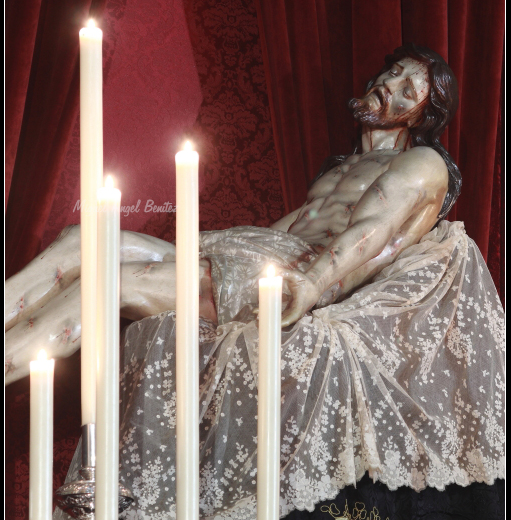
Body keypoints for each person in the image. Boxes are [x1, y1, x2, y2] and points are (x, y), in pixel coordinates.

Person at [5, 44, 461, 385]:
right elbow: (280, 231)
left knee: (107, 283)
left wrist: (312, 282)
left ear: (421, 117)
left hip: (288, 277)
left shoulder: (423, 164)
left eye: (408, 91)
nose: (389, 85)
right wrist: (202, 245)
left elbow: (371, 230)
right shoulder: (343, 167)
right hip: (253, 254)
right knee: (82, 239)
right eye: (393, 72)